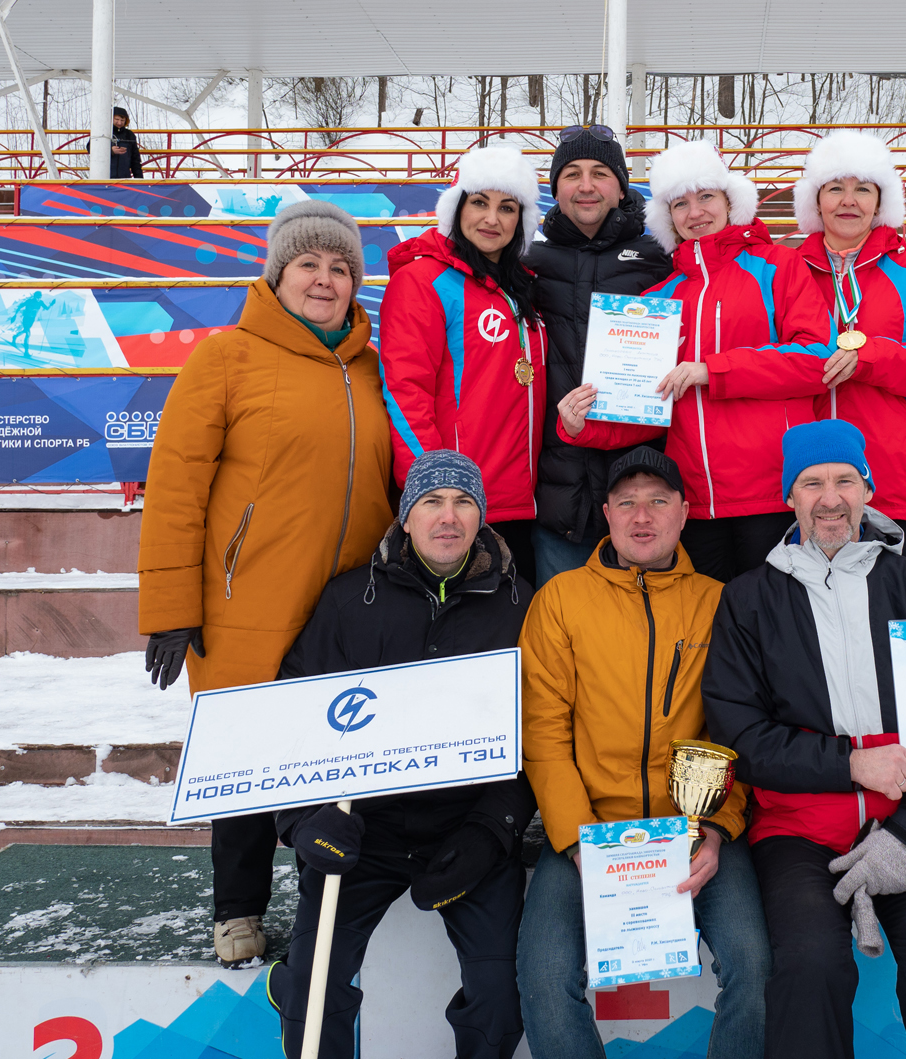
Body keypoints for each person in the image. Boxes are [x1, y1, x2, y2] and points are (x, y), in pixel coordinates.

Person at [137, 200, 394, 967]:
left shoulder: (369, 366)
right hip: (245, 599)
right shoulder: (226, 358)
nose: (324, 278)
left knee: (335, 752)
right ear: (277, 275)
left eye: (339, 267)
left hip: (346, 601)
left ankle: (330, 900)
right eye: (309, 264)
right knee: (244, 757)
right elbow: (176, 488)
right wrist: (172, 607)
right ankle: (237, 907)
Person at [701, 420, 906, 1059]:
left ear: (868, 490)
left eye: (845, 480)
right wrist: (851, 765)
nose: (830, 497)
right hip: (798, 833)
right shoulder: (748, 599)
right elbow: (744, 737)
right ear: (790, 497)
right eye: (811, 483)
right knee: (810, 973)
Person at [266, 451, 536, 1059]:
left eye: (464, 502)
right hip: (363, 828)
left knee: (501, 993)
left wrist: (493, 829)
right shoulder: (346, 600)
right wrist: (304, 823)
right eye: (432, 502)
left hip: (467, 828)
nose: (449, 516)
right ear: (405, 518)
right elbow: (290, 718)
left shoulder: (521, 605)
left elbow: (537, 734)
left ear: (483, 518)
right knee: (313, 985)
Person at [517, 445, 770, 1059]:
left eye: (658, 501)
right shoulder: (560, 600)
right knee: (544, 978)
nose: (642, 515)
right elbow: (544, 733)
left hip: (691, 830)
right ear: (605, 512)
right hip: (593, 830)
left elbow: (734, 727)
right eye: (627, 501)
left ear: (685, 513)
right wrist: (578, 841)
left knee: (756, 972)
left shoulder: (719, 601)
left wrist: (710, 829)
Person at [556, 140, 843, 583]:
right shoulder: (659, 299)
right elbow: (648, 408)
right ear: (667, 217)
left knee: (775, 625)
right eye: (680, 204)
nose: (695, 213)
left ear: (731, 201)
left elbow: (816, 359)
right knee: (710, 633)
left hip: (771, 495)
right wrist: (582, 425)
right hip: (698, 503)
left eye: (706, 197)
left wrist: (714, 370)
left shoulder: (777, 266)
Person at [792, 130, 906, 557]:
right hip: (799, 483)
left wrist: (872, 358)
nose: (848, 200)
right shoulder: (784, 272)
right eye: (835, 188)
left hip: (887, 483)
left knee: (881, 613)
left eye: (863, 189)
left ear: (881, 202)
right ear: (816, 201)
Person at [380, 144, 545, 587]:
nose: (492, 219)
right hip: (459, 507)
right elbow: (404, 391)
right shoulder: (423, 280)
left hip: (518, 504)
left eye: (507, 208)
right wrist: (431, 494)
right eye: (479, 203)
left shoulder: (518, 287)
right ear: (457, 208)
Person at [525, 124, 672, 584]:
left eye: (599, 173)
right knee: (566, 630)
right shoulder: (528, 263)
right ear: (555, 188)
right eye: (571, 173)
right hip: (558, 491)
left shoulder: (661, 256)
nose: (585, 186)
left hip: (641, 480)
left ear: (622, 186)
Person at [110, 106, 143, 180]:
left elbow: (135, 159)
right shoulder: (103, 132)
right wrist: (110, 151)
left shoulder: (129, 134)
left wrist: (139, 179)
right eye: (117, 119)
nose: (119, 123)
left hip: (125, 178)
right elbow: (91, 148)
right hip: (104, 179)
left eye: (122, 120)